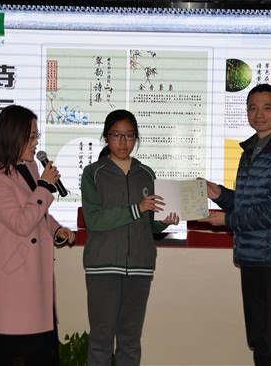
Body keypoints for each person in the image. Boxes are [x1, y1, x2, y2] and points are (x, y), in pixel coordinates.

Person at [199, 84, 271, 366]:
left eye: (267, 108)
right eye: (252, 108)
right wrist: (218, 194)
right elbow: (248, 203)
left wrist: (227, 220)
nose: (259, 114)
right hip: (251, 258)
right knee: (260, 339)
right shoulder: (251, 151)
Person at [0, 104, 76, 366]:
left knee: (44, 356)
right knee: (13, 356)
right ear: (13, 137)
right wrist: (44, 185)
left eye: (36, 136)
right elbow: (21, 223)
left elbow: (37, 212)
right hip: (12, 287)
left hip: (36, 282)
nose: (36, 143)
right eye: (31, 137)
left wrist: (56, 229)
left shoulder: (30, 167)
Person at [80, 109, 179, 366]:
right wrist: (137, 208)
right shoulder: (93, 173)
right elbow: (94, 220)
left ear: (136, 138)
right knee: (101, 340)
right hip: (103, 266)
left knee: (130, 339)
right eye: (116, 135)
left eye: (129, 135)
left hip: (139, 267)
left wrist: (163, 222)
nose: (123, 142)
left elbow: (150, 224)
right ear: (106, 137)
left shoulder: (146, 173)